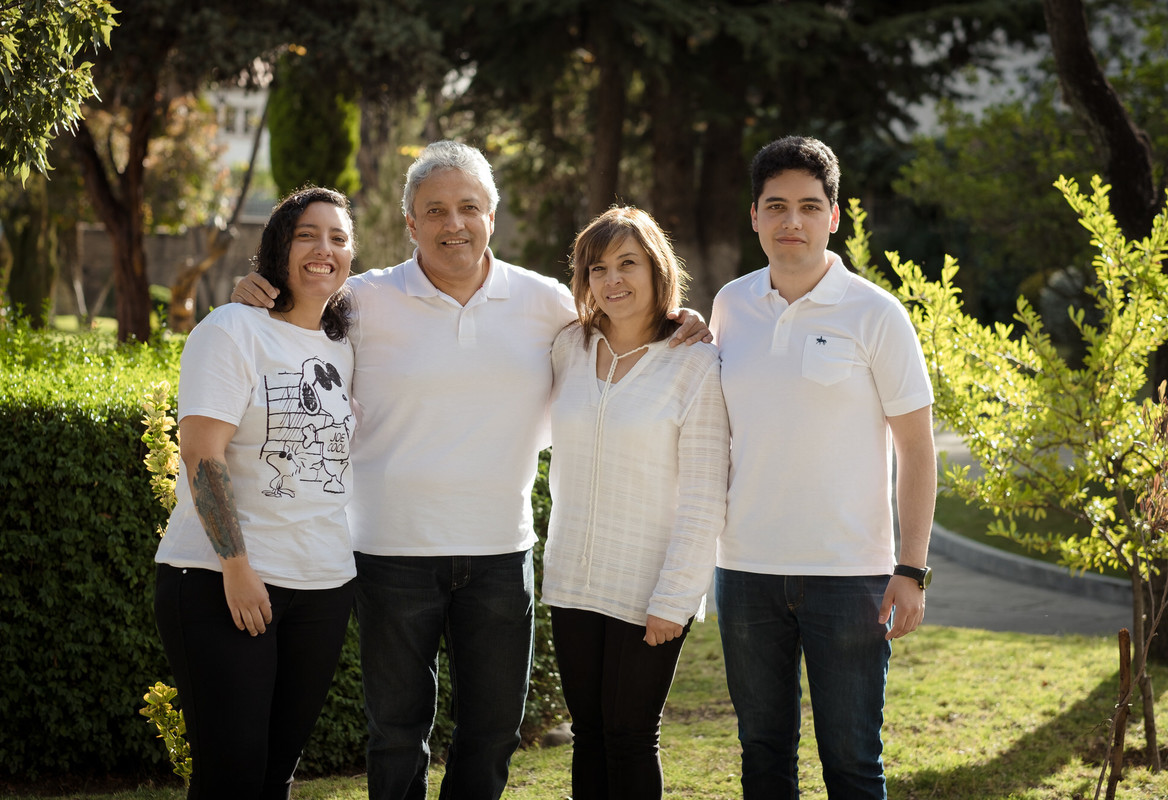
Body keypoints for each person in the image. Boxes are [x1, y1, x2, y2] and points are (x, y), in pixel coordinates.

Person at [230, 141, 711, 800]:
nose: (453, 223)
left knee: (490, 735)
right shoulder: (362, 301)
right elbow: (284, 332)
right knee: (397, 734)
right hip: (389, 554)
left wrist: (683, 319)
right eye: (435, 211)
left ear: (492, 214)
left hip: (498, 554)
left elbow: (628, 316)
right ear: (410, 224)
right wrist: (253, 295)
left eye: (468, 207)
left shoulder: (548, 306)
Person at [710, 136, 937, 799]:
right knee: (763, 758)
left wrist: (911, 568)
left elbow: (918, 451)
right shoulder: (730, 308)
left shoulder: (877, 314)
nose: (792, 223)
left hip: (851, 579)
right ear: (753, 215)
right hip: (745, 573)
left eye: (810, 207)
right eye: (776, 206)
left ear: (834, 217)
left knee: (853, 764)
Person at [154, 186, 358, 799]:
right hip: (221, 579)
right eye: (307, 235)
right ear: (277, 247)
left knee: (275, 774)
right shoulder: (231, 329)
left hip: (322, 583)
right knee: (232, 774)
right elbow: (201, 453)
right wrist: (237, 568)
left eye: (339, 238)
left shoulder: (346, 342)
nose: (325, 249)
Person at [541, 207, 729, 799]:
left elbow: (704, 495)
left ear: (657, 269)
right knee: (589, 734)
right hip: (572, 579)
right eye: (598, 268)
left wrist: (676, 596)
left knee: (629, 736)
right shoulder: (569, 345)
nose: (612, 279)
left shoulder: (695, 362)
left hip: (650, 586)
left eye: (628, 263)